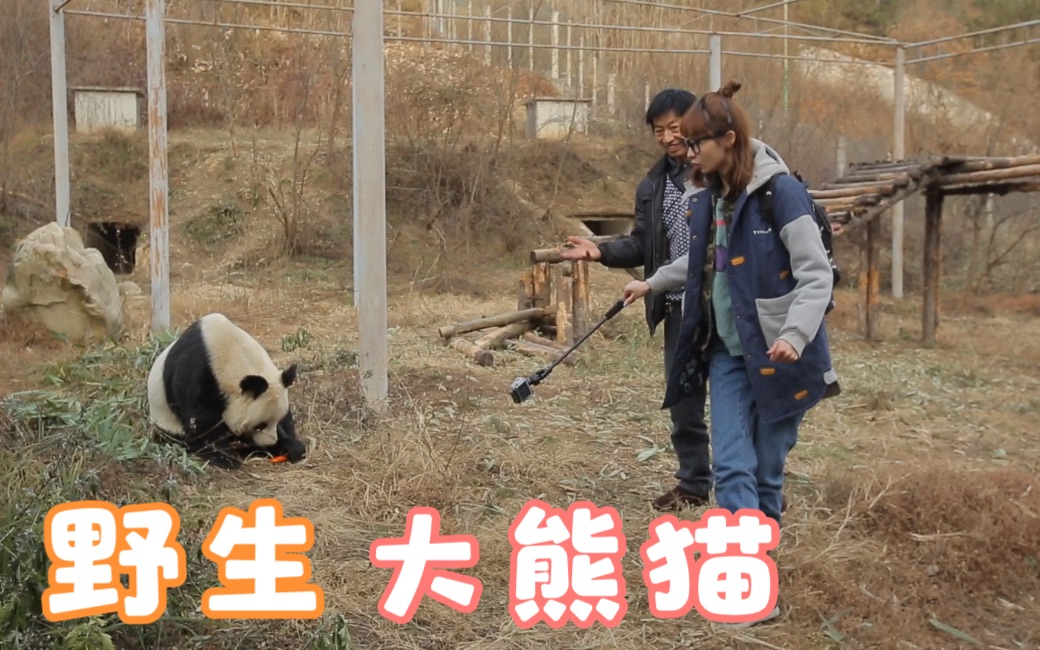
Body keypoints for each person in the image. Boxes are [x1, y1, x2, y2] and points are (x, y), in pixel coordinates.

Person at [660, 81, 839, 625]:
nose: (689, 154)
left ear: (728, 139)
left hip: (784, 353)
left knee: (767, 470)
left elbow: (817, 276)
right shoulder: (707, 196)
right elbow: (701, 267)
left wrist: (795, 335)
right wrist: (651, 283)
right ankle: (744, 584)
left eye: (697, 144)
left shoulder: (779, 194)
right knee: (732, 462)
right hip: (727, 352)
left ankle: (756, 564)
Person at [558, 88, 713, 512]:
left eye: (675, 127)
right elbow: (643, 244)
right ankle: (694, 482)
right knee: (683, 400)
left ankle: (757, 483)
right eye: (658, 131)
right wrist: (601, 250)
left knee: (741, 394)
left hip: (722, 302)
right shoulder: (653, 183)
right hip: (679, 304)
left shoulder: (720, 171)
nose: (666, 138)